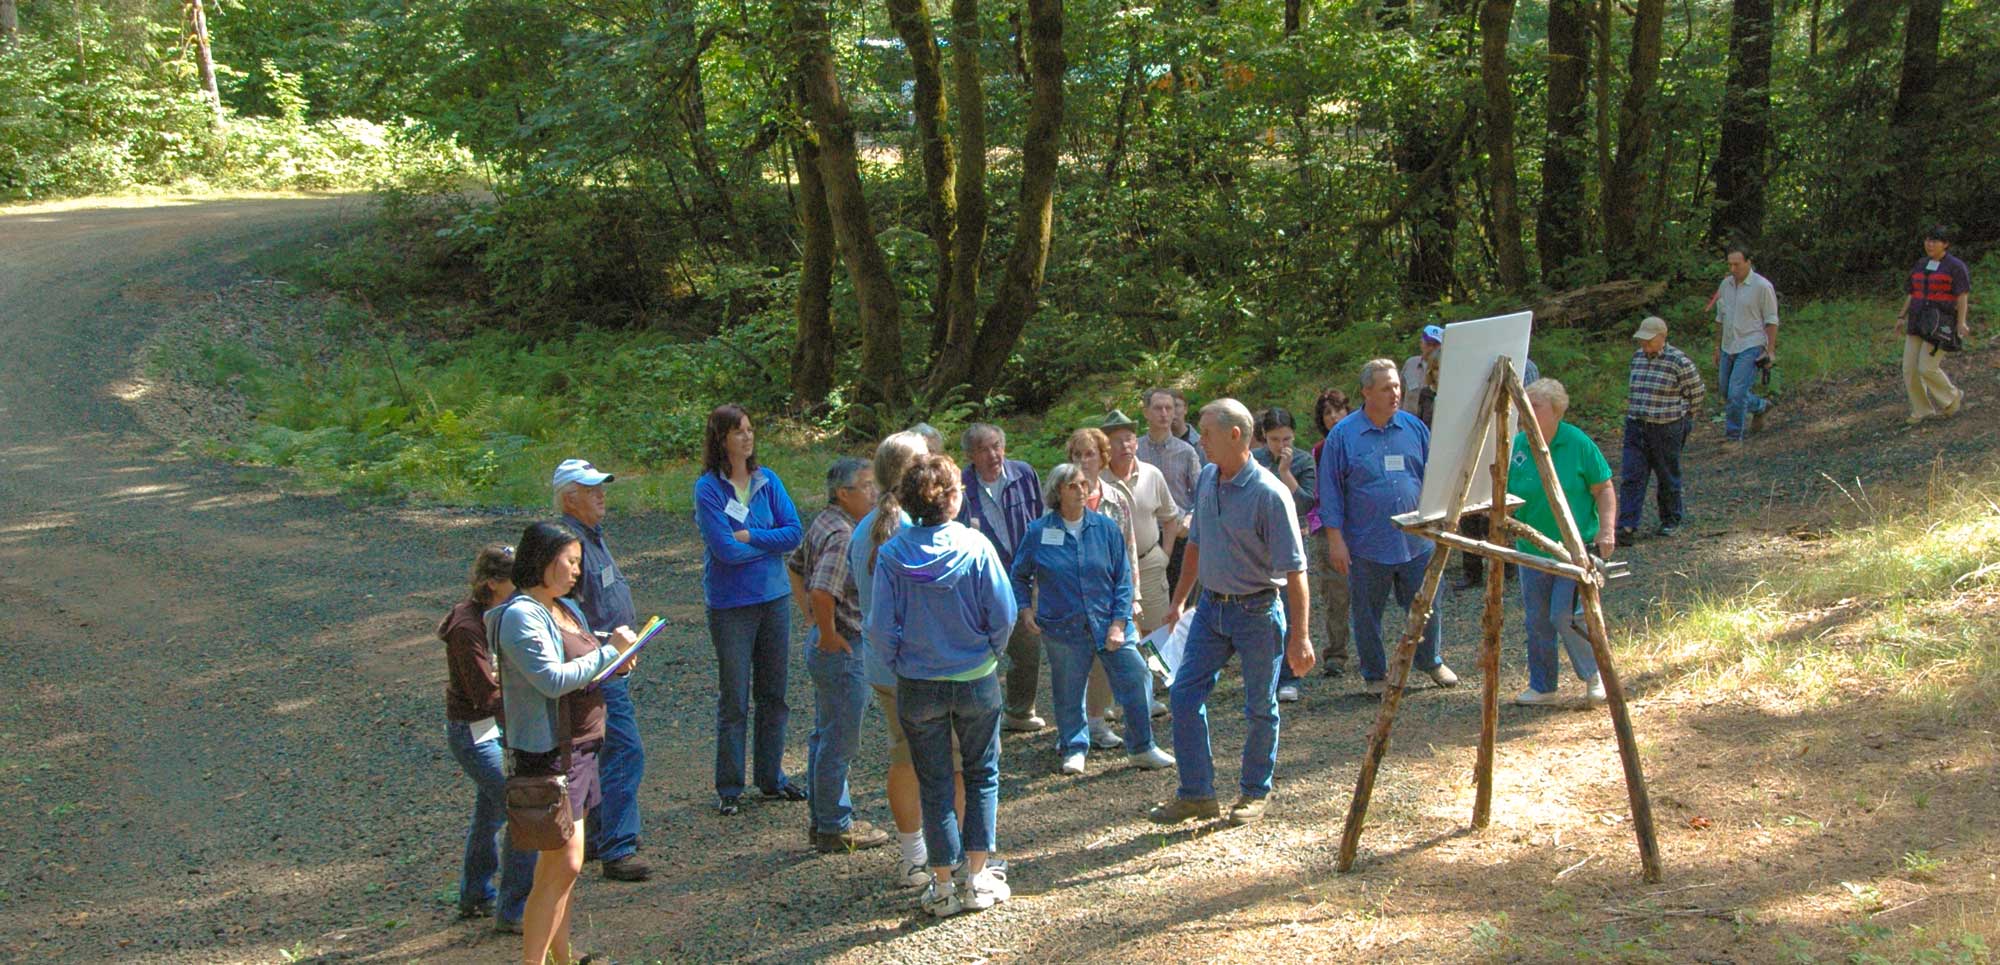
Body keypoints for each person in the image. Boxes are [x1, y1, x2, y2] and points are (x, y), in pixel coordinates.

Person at [1148, 399, 1314, 828]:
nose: (1200, 441)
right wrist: (1179, 599)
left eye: (1206, 433)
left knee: (1260, 706)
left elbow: (1296, 572)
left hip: (1257, 611)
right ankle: (1197, 794)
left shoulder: (1269, 495)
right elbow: (1197, 545)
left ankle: (1254, 792)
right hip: (1210, 610)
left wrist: (1301, 637)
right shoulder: (1207, 478)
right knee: (1184, 695)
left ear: (1234, 435)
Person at [870, 454, 1018, 917]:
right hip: (976, 679)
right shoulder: (976, 547)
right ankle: (977, 878)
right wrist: (989, 653)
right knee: (981, 774)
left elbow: (879, 627)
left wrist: (903, 662)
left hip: (918, 682)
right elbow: (1005, 614)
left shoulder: (893, 554)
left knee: (933, 781)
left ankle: (940, 886)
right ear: (953, 498)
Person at [491, 522, 641, 965]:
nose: (577, 571)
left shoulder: (564, 608)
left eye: (579, 562)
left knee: (561, 870)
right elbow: (552, 680)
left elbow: (586, 660)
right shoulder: (521, 615)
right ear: (542, 559)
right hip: (550, 754)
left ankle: (561, 956)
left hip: (582, 747)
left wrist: (618, 662)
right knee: (566, 863)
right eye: (570, 561)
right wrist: (609, 653)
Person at [1011, 462, 1176, 776]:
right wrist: (1025, 609)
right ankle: (1073, 747)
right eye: (1072, 485)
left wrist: (1118, 623)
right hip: (1063, 627)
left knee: (1137, 676)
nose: (1081, 490)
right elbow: (1019, 576)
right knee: (1068, 689)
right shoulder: (1039, 532)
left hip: (1108, 622)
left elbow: (1122, 578)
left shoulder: (1105, 528)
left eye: (1084, 484)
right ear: (1057, 492)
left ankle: (1143, 747)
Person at [849, 432, 955, 886]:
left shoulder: (863, 527)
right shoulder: (912, 531)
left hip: (884, 666)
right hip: (923, 667)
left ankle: (915, 855)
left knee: (904, 757)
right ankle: (940, 856)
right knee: (943, 760)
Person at [1319, 359, 1459, 696]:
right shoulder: (1343, 436)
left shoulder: (1414, 428)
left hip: (1416, 541)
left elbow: (1432, 477)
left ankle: (1431, 660)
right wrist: (1336, 540)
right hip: (1366, 544)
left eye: (1397, 386)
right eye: (1386, 387)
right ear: (1367, 392)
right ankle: (1374, 674)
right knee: (1367, 614)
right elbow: (1330, 491)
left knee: (1427, 605)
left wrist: (1440, 520)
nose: (1395, 393)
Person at [693, 404, 806, 815]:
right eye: (738, 431)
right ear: (720, 439)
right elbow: (722, 550)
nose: (747, 437)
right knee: (735, 697)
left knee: (774, 694)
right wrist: (764, 543)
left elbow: (794, 533)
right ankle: (729, 787)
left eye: (750, 429)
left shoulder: (768, 480)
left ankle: (771, 778)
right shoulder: (708, 488)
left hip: (774, 599)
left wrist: (749, 536)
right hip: (730, 606)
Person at [550, 459, 650, 882]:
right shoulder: (567, 547)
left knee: (594, 753)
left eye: (601, 488)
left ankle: (600, 836)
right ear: (570, 499)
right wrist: (608, 651)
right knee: (624, 750)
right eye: (591, 490)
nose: (601, 494)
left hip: (610, 660)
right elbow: (564, 613)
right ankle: (618, 846)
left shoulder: (591, 537)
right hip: (599, 667)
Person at [787, 457, 892, 853]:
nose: (875, 493)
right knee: (839, 742)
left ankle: (826, 820)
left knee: (824, 735)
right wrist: (827, 632)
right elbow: (819, 587)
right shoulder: (844, 533)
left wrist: (814, 621)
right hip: (843, 648)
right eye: (866, 486)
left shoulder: (825, 522)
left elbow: (795, 567)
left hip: (832, 645)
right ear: (842, 493)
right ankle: (833, 825)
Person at [439, 543, 536, 932]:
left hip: (491, 729)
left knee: (491, 812)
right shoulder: (467, 628)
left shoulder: (497, 614)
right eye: (515, 581)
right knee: (522, 805)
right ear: (493, 583)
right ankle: (513, 910)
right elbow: (486, 694)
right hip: (475, 734)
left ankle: (476, 894)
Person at [1507, 379, 1616, 706]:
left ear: (1555, 411)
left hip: (1574, 548)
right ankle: (1543, 687)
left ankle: (1595, 675)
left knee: (1564, 615)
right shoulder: (1519, 447)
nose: (1526, 413)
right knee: (1537, 620)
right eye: (1524, 406)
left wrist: (1607, 531)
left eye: (1535, 406)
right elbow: (1506, 490)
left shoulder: (1577, 443)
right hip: (1531, 548)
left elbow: (1604, 489)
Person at [956, 423, 1046, 732]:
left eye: (997, 446)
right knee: (982, 651)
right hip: (980, 584)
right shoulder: (960, 486)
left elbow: (1042, 520)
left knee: (1027, 648)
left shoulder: (1024, 474)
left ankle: (1020, 712)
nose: (993, 454)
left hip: (1023, 578)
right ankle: (979, 716)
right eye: (984, 449)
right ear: (970, 455)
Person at [1063, 427, 1150, 746]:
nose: (1083, 461)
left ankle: (1116, 727)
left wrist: (1135, 595)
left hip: (1112, 598)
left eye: (1090, 454)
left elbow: (1130, 549)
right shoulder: (1060, 500)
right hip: (1073, 599)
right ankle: (1079, 731)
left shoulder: (1117, 499)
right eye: (1077, 455)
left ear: (1103, 458)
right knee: (1074, 669)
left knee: (1120, 662)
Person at [1617, 316, 1705, 544]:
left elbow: (1696, 392)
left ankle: (1671, 519)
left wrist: (1685, 419)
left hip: (1666, 427)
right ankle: (1627, 525)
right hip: (1637, 424)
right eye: (1641, 340)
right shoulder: (1637, 358)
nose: (1643, 345)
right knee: (1632, 475)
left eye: (1648, 340)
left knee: (1667, 475)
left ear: (1662, 338)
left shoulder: (1679, 361)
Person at [1251, 407, 1318, 704]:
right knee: (1263, 608)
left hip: (1294, 540)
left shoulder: (1303, 460)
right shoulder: (1254, 461)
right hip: (1260, 542)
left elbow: (1306, 503)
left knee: (1292, 608)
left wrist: (1285, 473)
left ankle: (1291, 676)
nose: (1281, 445)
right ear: (1264, 437)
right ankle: (1266, 674)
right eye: (1275, 439)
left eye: (1286, 438)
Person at [1102, 410, 1183, 636]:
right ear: (1106, 447)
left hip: (1149, 564)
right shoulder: (1097, 480)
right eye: (1117, 441)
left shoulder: (1152, 475)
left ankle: (1156, 672)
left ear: (1137, 444)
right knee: (1119, 633)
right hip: (1111, 571)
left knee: (1156, 632)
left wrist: (1164, 555)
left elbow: (1169, 518)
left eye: (1129, 439)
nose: (1125, 446)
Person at [1897, 225, 1973, 426]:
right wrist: (1901, 316)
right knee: (1909, 368)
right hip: (1916, 321)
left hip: (1940, 323)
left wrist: (1961, 322)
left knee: (1927, 367)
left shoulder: (1956, 266)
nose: (1929, 244)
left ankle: (1952, 396)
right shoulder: (1921, 264)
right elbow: (1912, 292)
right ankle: (1922, 410)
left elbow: (1962, 296)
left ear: (1945, 244)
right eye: (1927, 240)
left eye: (1935, 240)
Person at [1305, 390, 1353, 678]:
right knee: (1335, 595)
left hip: (1362, 526)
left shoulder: (1362, 441)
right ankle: (1336, 653)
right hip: (1328, 528)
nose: (1333, 417)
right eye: (1327, 413)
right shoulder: (1320, 449)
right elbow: (1318, 492)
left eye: (1338, 410)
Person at [1713, 246, 1779, 442]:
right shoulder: (1725, 285)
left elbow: (1772, 320)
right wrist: (1717, 347)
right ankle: (1760, 406)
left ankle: (1733, 437)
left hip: (1751, 344)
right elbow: (1720, 318)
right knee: (1726, 391)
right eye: (1730, 264)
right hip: (1728, 344)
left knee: (1737, 392)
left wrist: (1770, 351)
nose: (1733, 269)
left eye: (1737, 264)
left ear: (1748, 262)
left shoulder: (1762, 286)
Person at [1140, 389, 1202, 591]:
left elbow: (1203, 493)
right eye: (1158, 408)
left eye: (1169, 408)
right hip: (1145, 536)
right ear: (1146, 412)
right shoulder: (1135, 450)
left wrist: (1191, 517)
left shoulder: (1186, 452)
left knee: (1178, 600)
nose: (1164, 413)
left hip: (1179, 536)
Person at [1400, 325, 1444, 416]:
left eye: (1435, 345)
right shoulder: (1410, 364)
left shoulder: (1445, 369)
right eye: (1428, 344)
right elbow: (1400, 393)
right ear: (1421, 344)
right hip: (1409, 422)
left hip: (1432, 423)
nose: (1431, 348)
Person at [1169, 389, 1206, 463]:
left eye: (1176, 405)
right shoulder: (1153, 445)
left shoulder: (1202, 445)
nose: (1172, 411)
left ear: (1185, 409)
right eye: (1168, 407)